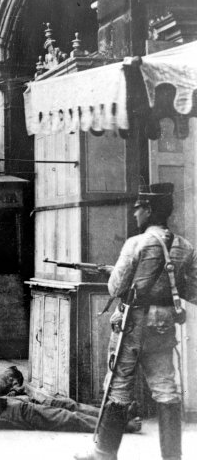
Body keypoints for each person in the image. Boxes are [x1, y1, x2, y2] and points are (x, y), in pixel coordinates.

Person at [76, 183, 197, 460]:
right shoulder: (185, 246)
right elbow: (193, 290)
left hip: (134, 322)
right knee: (166, 387)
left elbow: (115, 288)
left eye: (139, 208)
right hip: (165, 323)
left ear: (150, 210)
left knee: (118, 385)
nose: (135, 215)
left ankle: (104, 453)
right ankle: (172, 457)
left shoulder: (136, 243)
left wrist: (116, 274)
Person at [0, 367, 142, 434]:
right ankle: (122, 426)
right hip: (15, 415)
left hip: (13, 404)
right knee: (67, 418)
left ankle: (120, 414)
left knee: (66, 404)